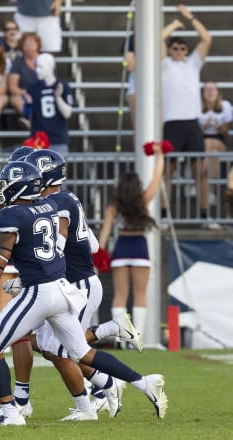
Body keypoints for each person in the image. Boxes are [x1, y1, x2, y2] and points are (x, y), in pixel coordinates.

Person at [0, 161, 167, 425]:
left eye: (6, 183)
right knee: (80, 352)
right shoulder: (49, 205)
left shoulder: (18, 213)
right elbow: (13, 225)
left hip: (41, 292)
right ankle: (143, 382)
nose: (1, 188)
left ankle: (12, 413)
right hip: (62, 290)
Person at [99, 144, 165, 344]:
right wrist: (160, 155)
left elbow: (105, 233)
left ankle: (121, 339)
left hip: (121, 249)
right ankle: (138, 338)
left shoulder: (114, 206)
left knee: (120, 295)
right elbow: (156, 178)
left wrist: (98, 254)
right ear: (137, 186)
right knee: (139, 295)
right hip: (139, 248)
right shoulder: (143, 199)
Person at [161, 4, 212, 226]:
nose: (179, 51)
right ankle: (163, 215)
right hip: (172, 123)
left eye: (183, 48)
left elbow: (206, 38)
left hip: (192, 122)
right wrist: (173, 25)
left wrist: (190, 17)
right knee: (166, 172)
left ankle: (204, 215)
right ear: (170, 50)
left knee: (200, 171)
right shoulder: (164, 64)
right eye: (175, 48)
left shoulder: (193, 64)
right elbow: (157, 40)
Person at [24, 52, 74, 158]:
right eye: (36, 67)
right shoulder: (33, 88)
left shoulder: (63, 86)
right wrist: (28, 105)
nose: (37, 70)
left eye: (41, 67)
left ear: (50, 67)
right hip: (38, 140)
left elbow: (67, 114)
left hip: (58, 139)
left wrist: (58, 97)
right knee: (39, 174)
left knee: (57, 173)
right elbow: (27, 116)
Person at [199, 81, 231, 205]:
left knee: (210, 145)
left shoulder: (225, 106)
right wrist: (204, 127)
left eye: (213, 89)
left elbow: (226, 132)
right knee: (210, 150)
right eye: (207, 89)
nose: (210, 92)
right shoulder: (197, 107)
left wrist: (219, 127)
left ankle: (204, 186)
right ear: (203, 93)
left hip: (219, 139)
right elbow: (195, 132)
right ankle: (209, 190)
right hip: (202, 139)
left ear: (217, 92)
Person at [8, 32, 40, 118]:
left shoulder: (45, 60)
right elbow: (13, 88)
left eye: (32, 44)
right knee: (15, 99)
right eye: (27, 45)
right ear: (22, 47)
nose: (29, 48)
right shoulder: (18, 62)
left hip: (42, 93)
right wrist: (26, 93)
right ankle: (31, 119)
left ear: (38, 45)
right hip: (23, 94)